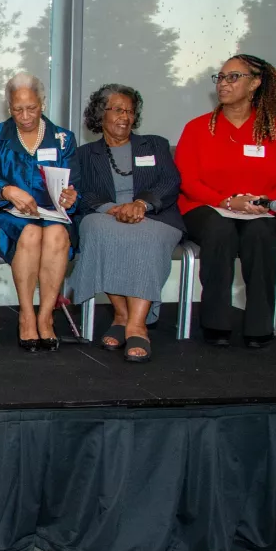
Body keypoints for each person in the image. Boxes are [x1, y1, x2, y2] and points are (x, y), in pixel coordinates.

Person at [174, 54, 276, 348]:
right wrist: (226, 202)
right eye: (220, 77)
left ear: (255, 83)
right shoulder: (197, 128)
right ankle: (215, 323)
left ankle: (260, 325)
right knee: (220, 230)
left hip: (261, 213)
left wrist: (265, 203)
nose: (223, 83)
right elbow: (187, 180)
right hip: (206, 208)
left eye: (233, 77)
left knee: (259, 233)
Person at [71, 84, 183, 362]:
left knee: (145, 235)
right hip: (105, 215)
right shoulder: (85, 154)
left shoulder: (155, 144)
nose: (125, 117)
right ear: (101, 114)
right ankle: (121, 315)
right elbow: (81, 191)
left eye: (130, 111)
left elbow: (170, 182)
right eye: (118, 110)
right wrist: (113, 209)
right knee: (99, 230)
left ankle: (136, 324)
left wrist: (141, 204)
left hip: (155, 215)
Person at [0, 72, 79, 352]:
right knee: (31, 232)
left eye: (31, 108)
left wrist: (71, 197)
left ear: (42, 103)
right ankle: (26, 314)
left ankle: (45, 316)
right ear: (9, 107)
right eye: (17, 109)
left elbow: (76, 185)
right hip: (5, 213)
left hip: (52, 215)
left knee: (57, 234)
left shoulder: (63, 138)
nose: (24, 116)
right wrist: (7, 190)